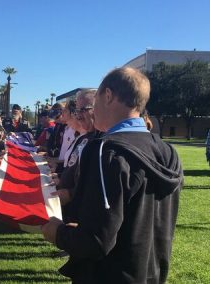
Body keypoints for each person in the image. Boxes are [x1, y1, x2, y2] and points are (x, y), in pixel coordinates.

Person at [42, 67, 183, 283]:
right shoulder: (168, 152)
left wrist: (57, 232)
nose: (90, 110)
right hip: (151, 273)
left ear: (107, 96)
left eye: (94, 101)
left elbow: (96, 241)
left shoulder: (105, 151)